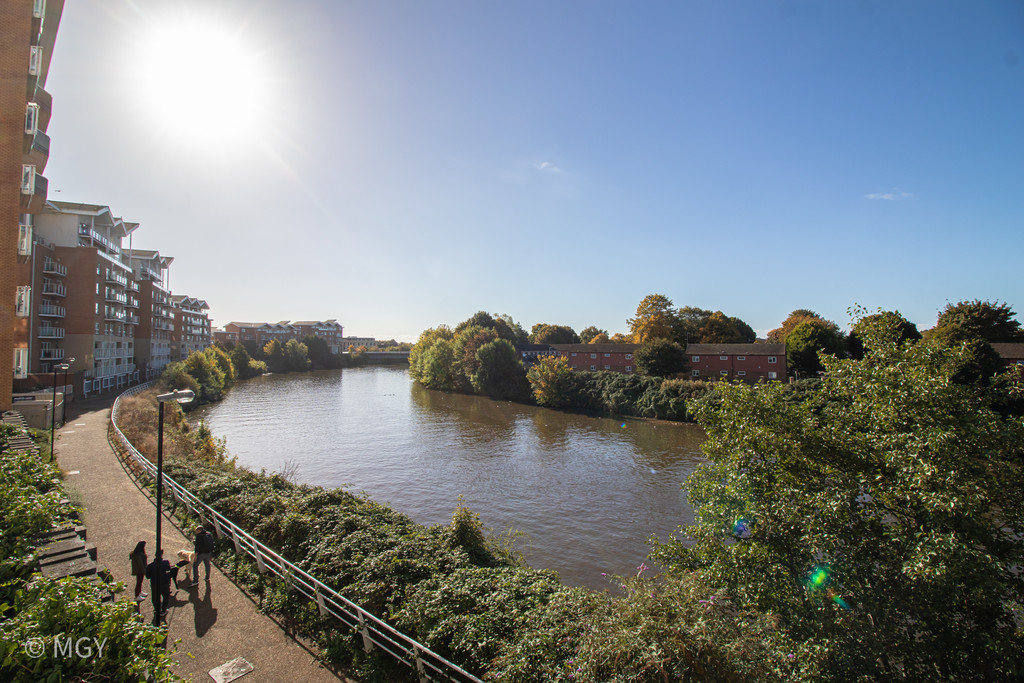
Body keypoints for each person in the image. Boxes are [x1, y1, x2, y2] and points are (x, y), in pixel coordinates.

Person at [145, 549, 172, 621]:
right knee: (166, 596)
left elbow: (147, 576)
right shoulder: (166, 562)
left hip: (155, 584)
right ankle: (163, 609)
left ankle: (157, 609)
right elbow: (169, 570)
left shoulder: (150, 566)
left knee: (155, 597)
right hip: (164, 583)